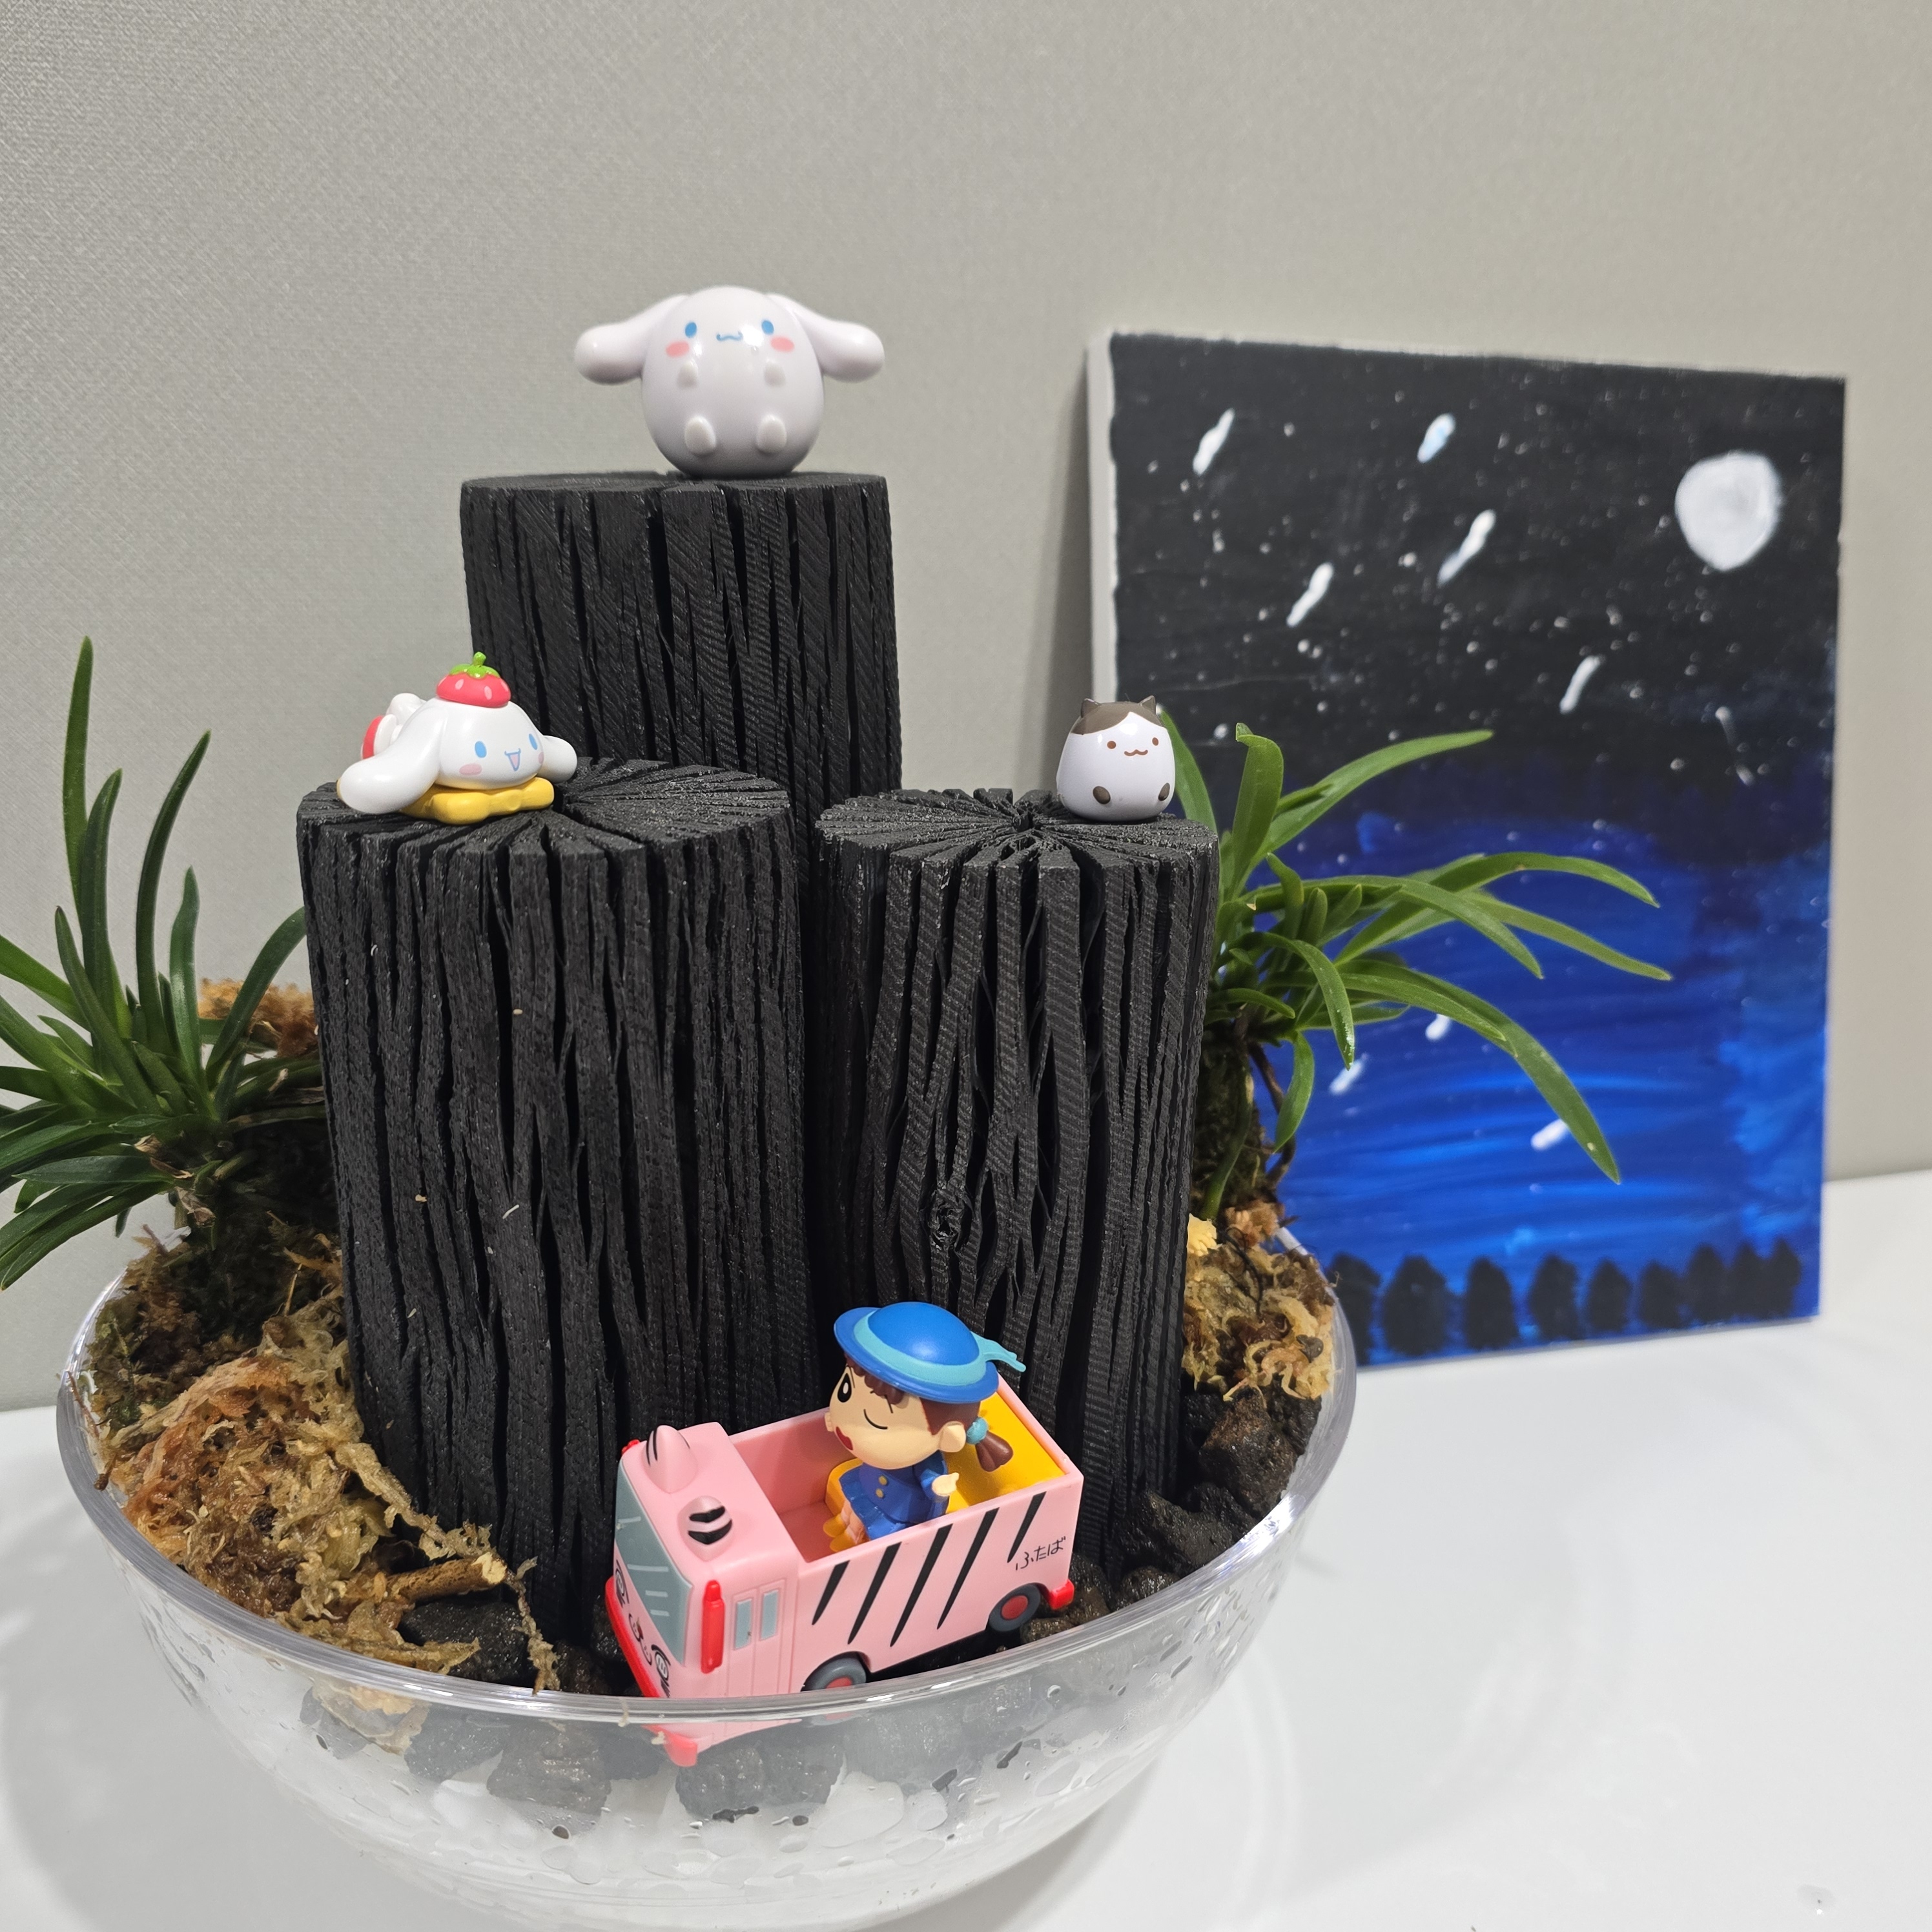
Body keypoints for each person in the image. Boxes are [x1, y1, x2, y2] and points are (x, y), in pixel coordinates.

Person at [823, 1304, 1023, 1548]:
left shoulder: (926, 1459)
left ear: (949, 1436)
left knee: (868, 1522)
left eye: (875, 1422)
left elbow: (930, 1476)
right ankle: (842, 1522)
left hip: (897, 1507)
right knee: (853, 1504)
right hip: (868, 1481)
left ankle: (850, 1537)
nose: (849, 1428)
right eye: (846, 1391)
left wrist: (938, 1488)